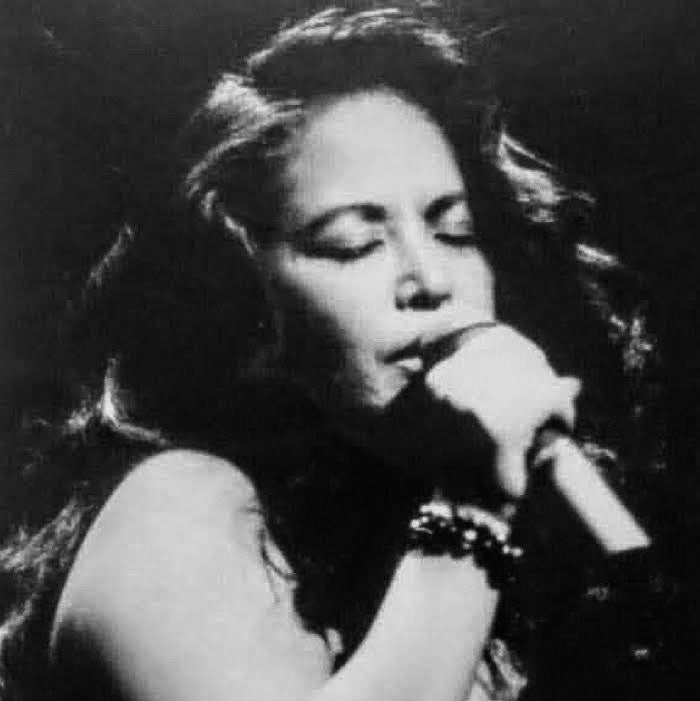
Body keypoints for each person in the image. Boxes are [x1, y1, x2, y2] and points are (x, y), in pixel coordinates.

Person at [0, 6, 671, 701]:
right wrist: (473, 503)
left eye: (455, 232)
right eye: (353, 244)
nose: (431, 279)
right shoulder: (170, 506)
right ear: (245, 296)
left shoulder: (406, 533)